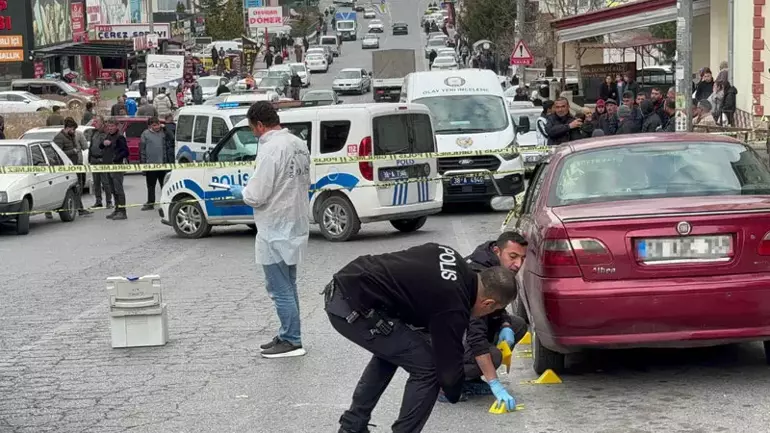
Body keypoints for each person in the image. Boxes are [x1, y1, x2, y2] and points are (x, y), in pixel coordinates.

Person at [325, 244, 519, 433]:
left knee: (395, 351)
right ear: (488, 303)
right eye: (493, 310)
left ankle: (352, 426)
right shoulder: (453, 305)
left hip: (350, 283)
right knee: (428, 368)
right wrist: (456, 389)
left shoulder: (452, 257)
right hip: (352, 306)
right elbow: (449, 372)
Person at [229, 101, 311, 359]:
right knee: (289, 284)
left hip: (274, 226)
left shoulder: (271, 148)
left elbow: (257, 195)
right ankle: (289, 333)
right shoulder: (298, 144)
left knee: (279, 288)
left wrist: (242, 192)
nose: (254, 133)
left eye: (253, 128)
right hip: (294, 222)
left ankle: (291, 339)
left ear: (260, 124)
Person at [441, 232, 528, 403]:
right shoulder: (478, 275)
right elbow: (476, 337)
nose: (518, 264)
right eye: (513, 256)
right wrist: (494, 382)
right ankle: (446, 384)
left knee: (516, 325)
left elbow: (496, 307)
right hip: (441, 338)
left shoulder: (494, 266)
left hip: (462, 328)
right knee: (493, 355)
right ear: (497, 251)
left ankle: (470, 379)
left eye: (522, 258)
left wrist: (504, 324)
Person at [53, 117, 93, 217]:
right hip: (68, 168)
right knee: (73, 188)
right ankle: (78, 209)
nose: (74, 131)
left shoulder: (71, 136)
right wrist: (73, 151)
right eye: (73, 129)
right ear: (68, 128)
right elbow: (58, 154)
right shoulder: (59, 138)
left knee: (78, 187)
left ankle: (80, 208)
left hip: (76, 166)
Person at [99, 119, 129, 220]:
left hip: (116, 166)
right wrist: (104, 143)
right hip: (107, 166)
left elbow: (125, 152)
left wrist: (116, 158)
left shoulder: (120, 137)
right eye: (109, 126)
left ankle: (122, 211)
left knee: (118, 189)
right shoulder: (108, 135)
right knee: (113, 190)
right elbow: (101, 146)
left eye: (112, 126)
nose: (110, 128)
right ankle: (117, 210)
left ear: (116, 126)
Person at [139, 117, 171, 211]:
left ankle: (166, 202)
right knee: (151, 185)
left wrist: (165, 128)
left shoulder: (163, 133)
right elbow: (142, 150)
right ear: (149, 126)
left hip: (162, 164)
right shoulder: (145, 134)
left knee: (164, 185)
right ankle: (150, 202)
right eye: (154, 125)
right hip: (150, 165)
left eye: (157, 124)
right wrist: (144, 164)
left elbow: (171, 137)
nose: (156, 127)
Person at [88, 115, 112, 208]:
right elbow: (91, 147)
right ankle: (98, 201)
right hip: (94, 160)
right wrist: (90, 159)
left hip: (102, 160)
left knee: (105, 182)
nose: (95, 124)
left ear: (102, 123)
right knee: (96, 182)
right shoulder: (94, 133)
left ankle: (109, 201)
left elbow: (109, 149)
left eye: (97, 122)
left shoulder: (106, 134)